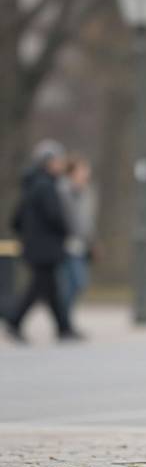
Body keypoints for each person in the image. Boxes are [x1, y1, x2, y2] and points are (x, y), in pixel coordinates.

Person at [6, 139, 80, 342]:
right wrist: (65, 231)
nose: (60, 165)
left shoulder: (31, 185)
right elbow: (54, 215)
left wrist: (28, 234)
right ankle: (13, 320)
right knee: (38, 288)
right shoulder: (45, 185)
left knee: (49, 288)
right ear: (47, 163)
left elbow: (16, 219)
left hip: (36, 245)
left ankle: (63, 327)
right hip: (45, 247)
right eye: (57, 161)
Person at [58, 154, 97, 327]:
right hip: (65, 244)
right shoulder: (62, 190)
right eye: (82, 170)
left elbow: (87, 220)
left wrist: (92, 241)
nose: (86, 173)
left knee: (77, 283)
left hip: (80, 245)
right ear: (72, 172)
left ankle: (65, 319)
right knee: (72, 282)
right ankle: (64, 321)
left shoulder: (87, 191)